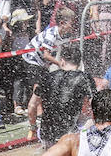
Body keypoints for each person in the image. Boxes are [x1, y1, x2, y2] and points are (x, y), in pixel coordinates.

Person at [24, 7, 77, 141]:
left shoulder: (64, 35)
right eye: (72, 22)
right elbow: (47, 55)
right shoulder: (51, 34)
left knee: (44, 93)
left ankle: (40, 120)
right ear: (62, 23)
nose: (73, 25)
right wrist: (60, 64)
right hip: (32, 61)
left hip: (42, 63)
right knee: (36, 96)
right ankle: (32, 127)